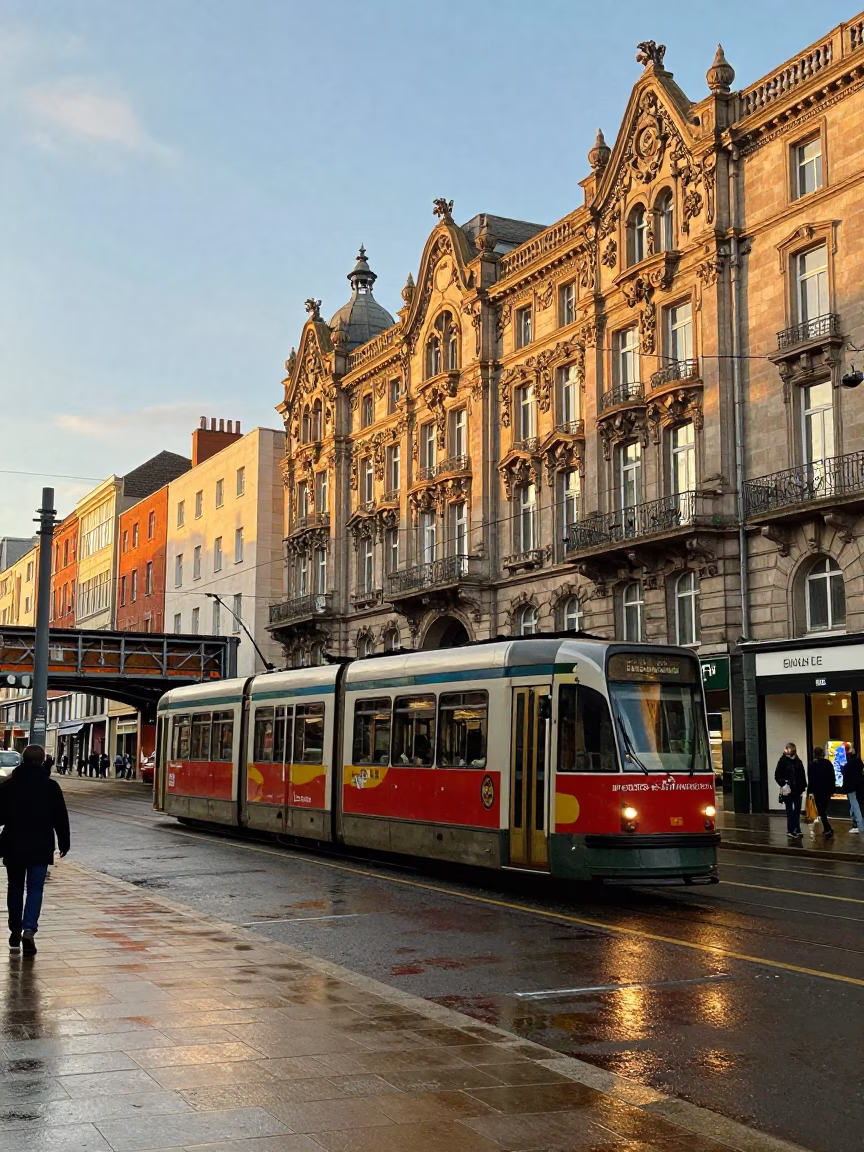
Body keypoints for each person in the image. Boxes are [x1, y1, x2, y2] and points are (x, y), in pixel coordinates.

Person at [0, 745, 70, 955]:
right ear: (42, 761)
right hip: (41, 844)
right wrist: (64, 842)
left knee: (15, 887)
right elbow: (60, 817)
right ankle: (29, 929)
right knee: (35, 888)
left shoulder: (8, 786)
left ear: (22, 760)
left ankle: (14, 928)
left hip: (13, 844)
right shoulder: (50, 786)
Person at [775, 742, 806, 838]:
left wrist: (803, 788)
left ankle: (796, 828)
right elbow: (777, 775)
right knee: (790, 810)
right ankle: (791, 829)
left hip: (797, 789)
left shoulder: (797, 761)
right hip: (788, 789)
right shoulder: (783, 761)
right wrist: (783, 784)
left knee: (797, 810)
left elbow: (802, 775)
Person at [807, 746, 835, 839]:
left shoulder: (812, 765)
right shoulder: (828, 764)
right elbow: (832, 777)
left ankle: (828, 828)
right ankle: (828, 828)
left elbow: (811, 779)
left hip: (817, 790)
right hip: (827, 790)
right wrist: (832, 789)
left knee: (820, 810)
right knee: (823, 809)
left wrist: (809, 791)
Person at [842, 743, 864, 835]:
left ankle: (860, 826)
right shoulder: (859, 763)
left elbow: (846, 778)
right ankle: (855, 824)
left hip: (851, 788)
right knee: (854, 806)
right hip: (860, 787)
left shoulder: (848, 765)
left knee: (855, 806)